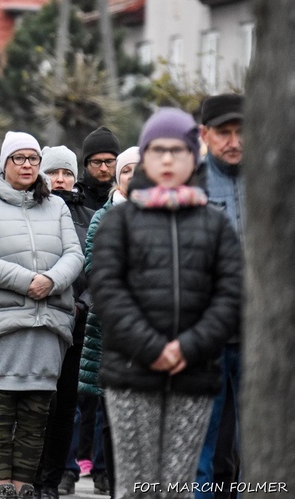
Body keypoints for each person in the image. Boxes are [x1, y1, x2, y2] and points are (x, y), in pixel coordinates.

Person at [90, 108, 241, 499]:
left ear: (195, 154)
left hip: (193, 371)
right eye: (158, 150)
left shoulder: (215, 223)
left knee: (177, 486)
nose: (169, 159)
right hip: (132, 371)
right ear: (145, 155)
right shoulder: (118, 223)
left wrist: (187, 347)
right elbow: (107, 291)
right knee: (137, 486)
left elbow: (229, 294)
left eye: (179, 150)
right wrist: (153, 348)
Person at [0, 132, 84, 499]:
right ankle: (0, 486)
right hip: (1, 323)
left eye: (33, 158)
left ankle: (23, 486)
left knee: (36, 413)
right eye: (20, 158)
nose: (28, 165)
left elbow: (75, 255)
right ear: (4, 164)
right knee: (0, 408)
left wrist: (50, 281)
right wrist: (27, 282)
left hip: (48, 322)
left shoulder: (57, 207)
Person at [76, 145, 140, 497]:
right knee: (113, 420)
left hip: (155, 333)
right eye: (127, 170)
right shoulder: (103, 218)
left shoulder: (164, 212)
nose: (133, 175)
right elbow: (94, 269)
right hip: (112, 332)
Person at [36, 146, 96, 498]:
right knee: (37, 403)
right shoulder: (32, 211)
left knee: (66, 406)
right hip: (39, 320)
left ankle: (55, 478)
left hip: (75, 323)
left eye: (67, 173)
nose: (60, 179)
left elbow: (99, 270)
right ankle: (32, 474)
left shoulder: (90, 216)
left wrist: (82, 305)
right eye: (53, 172)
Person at [194, 94, 245, 499]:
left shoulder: (276, 180)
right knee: (203, 446)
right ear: (204, 134)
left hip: (263, 336)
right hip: (205, 332)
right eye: (224, 132)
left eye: (242, 131)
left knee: (264, 438)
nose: (234, 141)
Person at [78, 127, 120, 210]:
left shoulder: (129, 197)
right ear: (86, 164)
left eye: (109, 161)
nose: (103, 168)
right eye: (96, 162)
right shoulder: (75, 197)